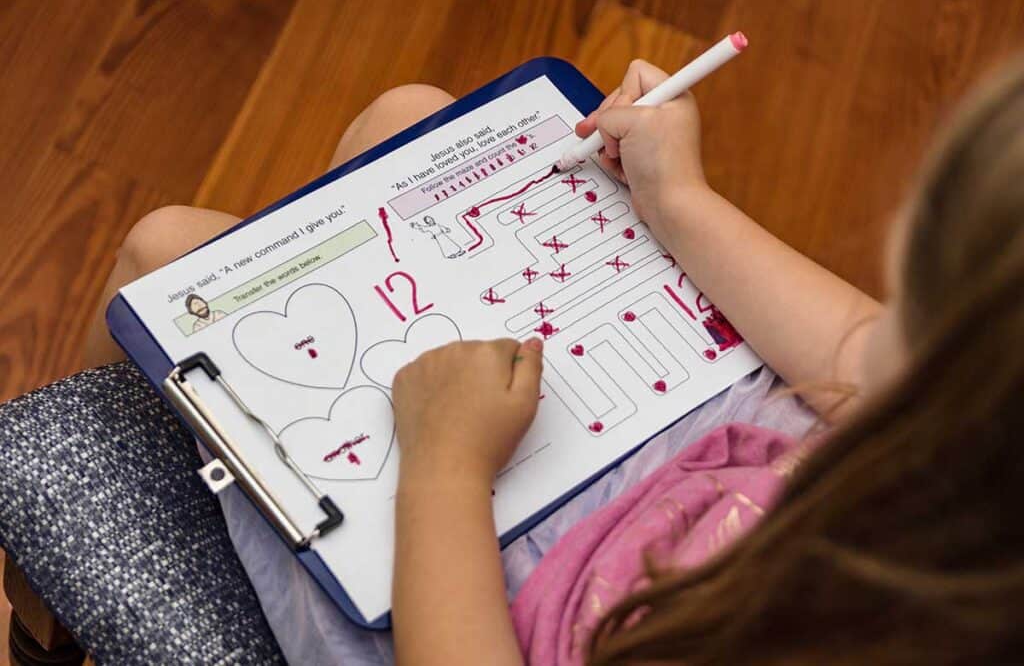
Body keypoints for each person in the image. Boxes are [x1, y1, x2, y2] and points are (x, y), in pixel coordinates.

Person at [84, 54, 1024, 665]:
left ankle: (82, 486)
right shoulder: (966, 472)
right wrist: (679, 200)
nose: (879, 307)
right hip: (701, 470)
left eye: (918, 302)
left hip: (482, 610)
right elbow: (860, 358)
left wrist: (446, 465)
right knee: (404, 121)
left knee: (161, 251)